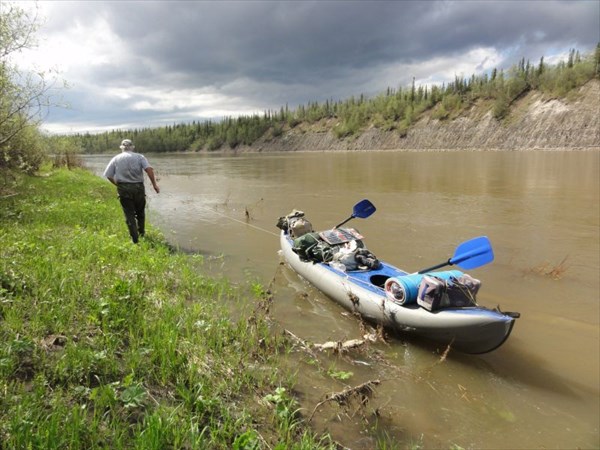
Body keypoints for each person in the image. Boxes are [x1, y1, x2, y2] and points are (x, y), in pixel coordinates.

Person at [103, 139, 160, 243]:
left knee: (129, 214)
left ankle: (135, 240)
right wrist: (155, 185)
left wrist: (117, 184)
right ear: (132, 147)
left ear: (122, 148)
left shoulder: (116, 158)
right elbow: (149, 169)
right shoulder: (140, 157)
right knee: (140, 213)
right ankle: (142, 233)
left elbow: (108, 175)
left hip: (123, 189)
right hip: (138, 188)